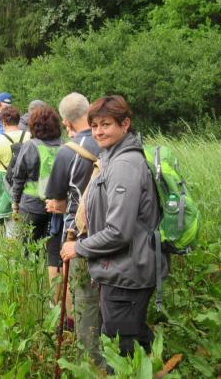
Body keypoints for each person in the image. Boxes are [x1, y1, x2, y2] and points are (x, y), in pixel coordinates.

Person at [60, 95, 161, 358]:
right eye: (94, 126)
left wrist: (78, 247)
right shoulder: (112, 158)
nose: (98, 131)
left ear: (125, 124)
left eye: (106, 124)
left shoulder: (124, 165)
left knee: (121, 348)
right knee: (131, 338)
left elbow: (119, 231)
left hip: (128, 274)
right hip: (122, 269)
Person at [45, 92, 104, 367]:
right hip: (118, 233)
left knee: (84, 299)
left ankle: (88, 362)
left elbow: (56, 200)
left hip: (78, 237)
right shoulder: (112, 141)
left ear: (65, 122)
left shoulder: (68, 151)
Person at [11, 105, 63, 293]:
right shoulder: (64, 146)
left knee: (27, 249)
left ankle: (27, 289)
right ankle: (53, 295)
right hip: (58, 207)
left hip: (31, 206)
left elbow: (18, 176)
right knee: (54, 253)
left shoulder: (30, 145)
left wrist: (15, 202)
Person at [0, 106, 29, 229]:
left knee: (10, 219)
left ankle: (12, 243)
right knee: (26, 217)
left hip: (5, 180)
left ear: (3, 122)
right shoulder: (29, 136)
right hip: (27, 180)